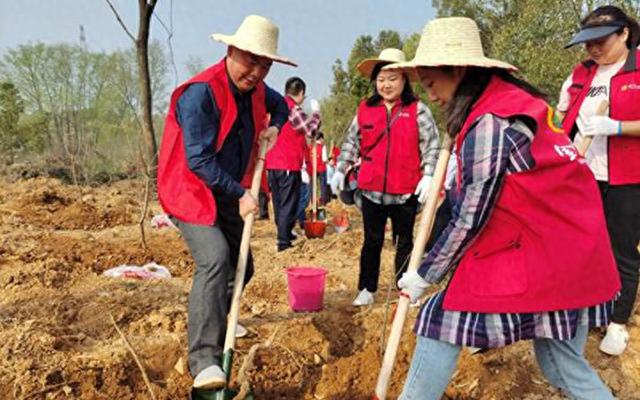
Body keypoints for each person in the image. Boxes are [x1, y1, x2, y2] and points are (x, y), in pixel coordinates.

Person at [386, 17, 620, 400]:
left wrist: (426, 273)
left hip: (548, 254)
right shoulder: (513, 102)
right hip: (576, 251)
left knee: (437, 319)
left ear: (458, 71)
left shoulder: (491, 121)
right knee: (561, 361)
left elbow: (472, 214)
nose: (429, 95)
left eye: (430, 83)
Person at [157, 15, 296, 390]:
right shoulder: (200, 93)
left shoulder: (258, 89)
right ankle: (203, 358)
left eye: (264, 65)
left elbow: (281, 106)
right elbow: (199, 160)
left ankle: (219, 315)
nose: (256, 72)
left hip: (228, 190)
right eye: (250, 60)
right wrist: (242, 194)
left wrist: (274, 128)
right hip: (190, 189)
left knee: (243, 266)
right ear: (230, 51)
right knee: (215, 258)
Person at [558, 5, 640, 356]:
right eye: (587, 42)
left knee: (622, 250)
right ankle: (591, 308)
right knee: (585, 245)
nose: (592, 49)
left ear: (624, 33)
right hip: (585, 175)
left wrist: (617, 127)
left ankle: (618, 323)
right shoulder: (581, 73)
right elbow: (560, 116)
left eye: (600, 41)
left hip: (628, 178)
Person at [330, 48, 440, 306]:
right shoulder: (365, 109)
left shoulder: (418, 110)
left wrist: (429, 174)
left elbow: (432, 145)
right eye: (381, 79)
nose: (386, 84)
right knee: (372, 241)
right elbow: (350, 142)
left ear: (404, 80)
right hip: (371, 190)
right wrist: (340, 168)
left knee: (404, 242)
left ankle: (405, 287)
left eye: (393, 78)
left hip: (405, 191)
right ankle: (367, 289)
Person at [266, 77, 321, 251]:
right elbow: (311, 130)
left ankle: (285, 232)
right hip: (287, 163)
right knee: (288, 203)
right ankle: (283, 242)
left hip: (273, 163)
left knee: (279, 202)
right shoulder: (292, 108)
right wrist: (317, 115)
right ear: (301, 93)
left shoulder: (276, 108)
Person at [306, 132, 329, 205]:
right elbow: (324, 159)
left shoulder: (310, 146)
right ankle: (323, 201)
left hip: (312, 169)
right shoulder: (322, 146)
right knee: (323, 185)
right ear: (321, 138)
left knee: (312, 186)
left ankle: (313, 201)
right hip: (321, 168)